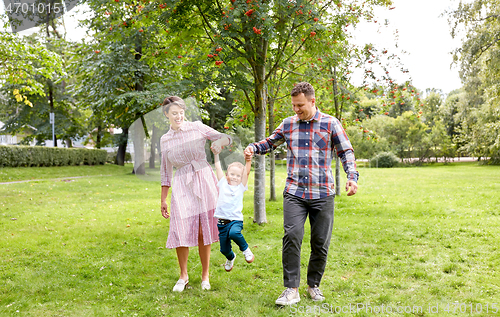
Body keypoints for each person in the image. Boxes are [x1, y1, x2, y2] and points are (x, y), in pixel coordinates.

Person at [244, 82, 359, 305]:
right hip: (295, 192)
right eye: (294, 105)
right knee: (292, 237)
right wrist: (253, 147)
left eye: (300, 105)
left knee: (320, 242)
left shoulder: (330, 123)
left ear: (312, 101)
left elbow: (346, 152)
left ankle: (313, 285)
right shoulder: (288, 124)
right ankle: (291, 289)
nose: (296, 109)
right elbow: (269, 142)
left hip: (323, 193)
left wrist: (352, 178)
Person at [160, 96, 231, 292]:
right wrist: (163, 199)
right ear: (166, 114)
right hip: (182, 182)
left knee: (202, 229)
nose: (179, 116)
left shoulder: (197, 127)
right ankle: (183, 276)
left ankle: (205, 275)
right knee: (180, 228)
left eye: (181, 112)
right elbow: (165, 170)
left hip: (203, 178)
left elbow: (225, 137)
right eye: (174, 113)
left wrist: (220, 143)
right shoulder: (165, 139)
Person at [213, 152, 254, 272]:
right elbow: (218, 167)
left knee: (234, 233)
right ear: (227, 175)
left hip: (235, 220)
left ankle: (246, 250)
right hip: (222, 223)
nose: (235, 177)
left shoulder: (241, 187)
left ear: (241, 178)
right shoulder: (223, 184)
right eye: (232, 174)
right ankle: (231, 257)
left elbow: (246, 172)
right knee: (224, 250)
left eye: (238, 175)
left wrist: (248, 160)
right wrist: (216, 154)